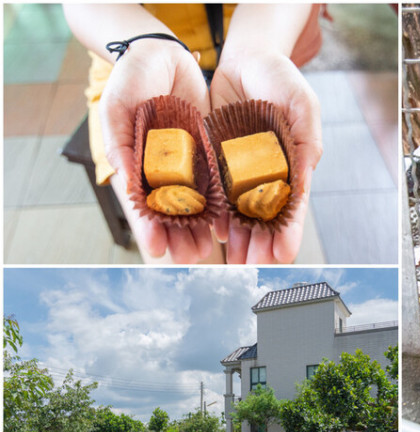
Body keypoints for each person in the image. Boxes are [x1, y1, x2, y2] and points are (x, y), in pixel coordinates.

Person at [63, 5, 323, 264]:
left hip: (261, 44)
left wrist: (258, 47)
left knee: (264, 261)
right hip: (137, 69)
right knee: (183, 267)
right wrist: (144, 47)